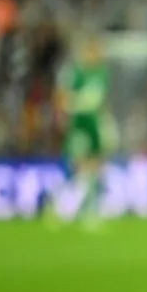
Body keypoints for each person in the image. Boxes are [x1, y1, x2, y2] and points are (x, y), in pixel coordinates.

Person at [47, 34, 116, 231]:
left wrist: (107, 124)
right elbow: (61, 97)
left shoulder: (102, 73)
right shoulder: (75, 72)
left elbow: (103, 101)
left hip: (95, 124)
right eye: (93, 50)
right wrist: (64, 116)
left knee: (96, 168)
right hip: (79, 124)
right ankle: (63, 207)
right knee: (80, 167)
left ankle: (87, 212)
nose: (97, 54)